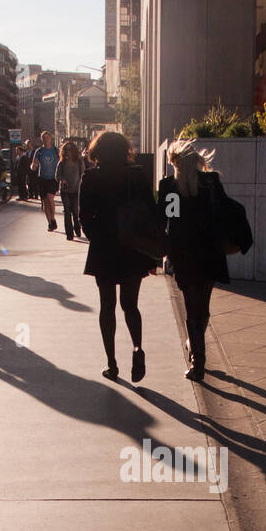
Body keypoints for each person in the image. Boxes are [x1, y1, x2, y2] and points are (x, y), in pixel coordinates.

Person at [79, 131, 161, 382]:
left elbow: (84, 217)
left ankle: (112, 364)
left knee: (107, 307)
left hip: (104, 248)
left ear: (98, 151)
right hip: (132, 248)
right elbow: (153, 211)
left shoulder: (91, 177)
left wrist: (97, 235)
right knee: (131, 305)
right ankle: (137, 349)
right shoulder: (136, 175)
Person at [159, 140, 230, 382]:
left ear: (174, 162)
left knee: (191, 307)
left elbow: (168, 220)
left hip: (184, 254)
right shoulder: (210, 183)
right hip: (209, 252)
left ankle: (197, 361)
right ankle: (196, 349)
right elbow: (221, 216)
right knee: (204, 306)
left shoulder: (170, 187)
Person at [31, 130, 61, 231]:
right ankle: (50, 223)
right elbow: (33, 164)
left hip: (53, 178)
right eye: (43, 138)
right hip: (42, 178)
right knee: (45, 202)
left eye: (47, 138)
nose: (45, 140)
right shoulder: (39, 151)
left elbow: (61, 163)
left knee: (50, 198)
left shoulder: (56, 151)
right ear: (41, 140)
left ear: (51, 139)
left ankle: (53, 218)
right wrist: (33, 167)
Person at [57, 140, 84, 241]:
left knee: (76, 213)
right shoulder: (62, 163)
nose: (67, 152)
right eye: (66, 150)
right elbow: (57, 175)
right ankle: (69, 234)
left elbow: (83, 175)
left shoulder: (79, 162)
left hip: (76, 190)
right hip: (65, 191)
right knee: (67, 212)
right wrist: (62, 180)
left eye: (69, 150)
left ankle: (77, 226)